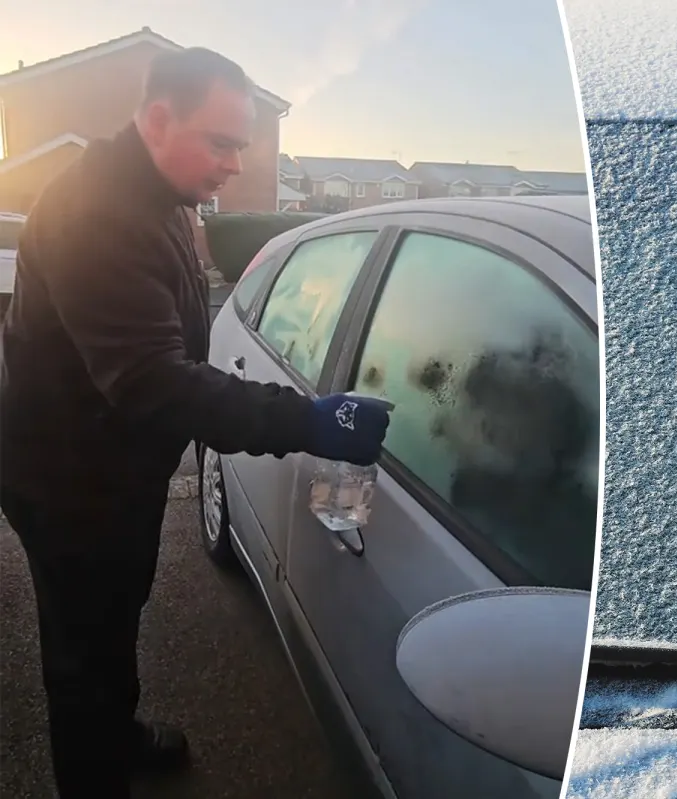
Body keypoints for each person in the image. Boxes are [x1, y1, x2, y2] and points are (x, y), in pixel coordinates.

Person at [0, 47, 392, 799]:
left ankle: (115, 733)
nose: (234, 164)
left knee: (117, 614)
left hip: (114, 468)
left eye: (241, 144)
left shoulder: (159, 194)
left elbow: (175, 291)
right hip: (70, 485)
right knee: (83, 648)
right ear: (157, 120)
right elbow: (152, 382)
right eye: (221, 142)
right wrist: (306, 418)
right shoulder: (99, 219)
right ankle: (95, 771)